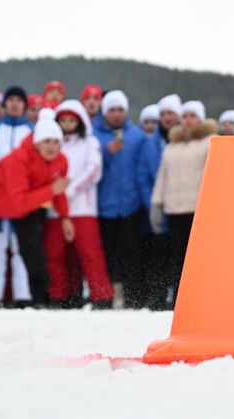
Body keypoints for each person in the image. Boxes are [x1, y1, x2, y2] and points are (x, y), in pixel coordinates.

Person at [0, 109, 73, 306]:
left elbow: (59, 191)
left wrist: (65, 217)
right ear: (37, 142)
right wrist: (51, 190)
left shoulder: (61, 161)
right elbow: (21, 201)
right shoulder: (19, 160)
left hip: (24, 204)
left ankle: (41, 299)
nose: (52, 146)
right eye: (47, 141)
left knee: (33, 251)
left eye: (56, 142)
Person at [43, 100, 114, 309]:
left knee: (90, 252)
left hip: (83, 207)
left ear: (79, 121)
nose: (66, 124)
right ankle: (59, 295)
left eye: (71, 120)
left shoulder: (90, 142)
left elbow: (94, 170)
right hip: (55, 210)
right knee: (55, 253)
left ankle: (102, 296)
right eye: (62, 120)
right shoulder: (52, 143)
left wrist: (70, 191)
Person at [150, 100, 217, 308]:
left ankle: (203, 298)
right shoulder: (172, 144)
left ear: (201, 118)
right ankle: (181, 299)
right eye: (185, 115)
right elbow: (163, 175)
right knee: (178, 256)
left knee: (200, 258)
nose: (188, 120)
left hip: (198, 208)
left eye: (192, 115)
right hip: (174, 208)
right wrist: (156, 203)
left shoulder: (210, 142)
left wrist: (213, 204)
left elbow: (215, 174)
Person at [0, 86, 33, 308]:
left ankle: (23, 297)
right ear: (4, 105)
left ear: (24, 105)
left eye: (18, 100)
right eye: (10, 99)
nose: (14, 104)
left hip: (22, 200)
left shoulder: (31, 132)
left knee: (22, 250)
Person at [94, 90, 147, 308]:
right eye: (112, 110)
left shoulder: (137, 135)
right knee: (106, 254)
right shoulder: (94, 136)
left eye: (120, 110)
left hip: (130, 205)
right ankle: (105, 297)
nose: (116, 114)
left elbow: (144, 169)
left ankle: (133, 297)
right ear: (105, 112)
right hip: (103, 205)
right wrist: (105, 153)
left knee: (131, 253)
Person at [137, 93, 182, 310]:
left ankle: (179, 300)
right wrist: (152, 204)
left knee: (180, 254)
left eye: (170, 113)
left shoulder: (186, 142)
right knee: (158, 255)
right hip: (157, 208)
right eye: (162, 114)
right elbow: (143, 175)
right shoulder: (150, 143)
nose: (166, 118)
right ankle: (156, 298)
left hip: (181, 207)